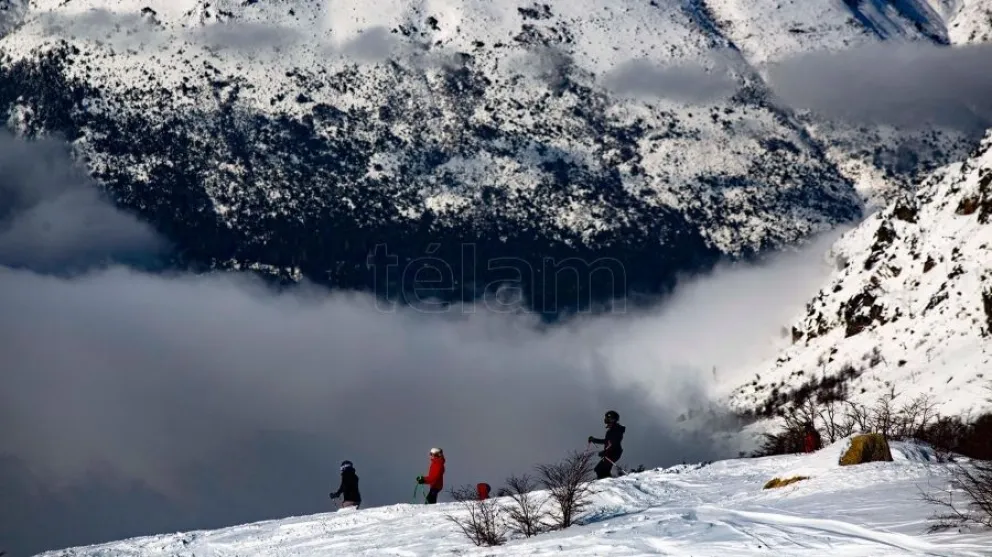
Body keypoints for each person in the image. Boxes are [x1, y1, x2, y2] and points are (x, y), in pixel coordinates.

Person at [588, 410, 625, 479]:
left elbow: (614, 443)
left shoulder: (616, 429)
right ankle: (608, 482)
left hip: (613, 453)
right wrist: (594, 440)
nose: (606, 419)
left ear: (614, 419)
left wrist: (605, 452)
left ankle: (608, 482)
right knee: (601, 470)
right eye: (606, 418)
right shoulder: (612, 429)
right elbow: (607, 441)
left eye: (609, 418)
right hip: (611, 453)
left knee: (600, 469)